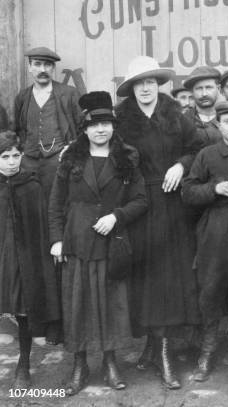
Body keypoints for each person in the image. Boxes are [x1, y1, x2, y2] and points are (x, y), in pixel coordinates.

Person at [48, 91, 147, 395]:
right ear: (85, 129)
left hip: (111, 244)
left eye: (106, 123)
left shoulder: (127, 157)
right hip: (77, 243)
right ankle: (79, 366)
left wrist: (117, 216)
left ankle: (110, 362)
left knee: (110, 305)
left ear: (113, 127)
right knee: (77, 305)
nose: (100, 130)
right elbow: (55, 203)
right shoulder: (70, 157)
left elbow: (142, 200)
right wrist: (56, 239)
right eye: (94, 125)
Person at [115, 56, 204, 389]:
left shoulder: (174, 115)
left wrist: (181, 165)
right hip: (139, 205)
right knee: (147, 277)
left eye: (151, 81)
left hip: (173, 204)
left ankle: (163, 350)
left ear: (158, 84)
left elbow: (197, 147)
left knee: (171, 275)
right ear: (132, 89)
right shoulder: (121, 120)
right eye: (139, 83)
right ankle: (154, 345)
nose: (146, 88)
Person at [182, 101, 228, 382]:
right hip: (214, 230)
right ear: (219, 124)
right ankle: (208, 349)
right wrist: (214, 188)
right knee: (210, 288)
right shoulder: (207, 154)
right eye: (227, 122)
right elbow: (187, 193)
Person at [0, 130, 60, 389]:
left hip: (24, 259)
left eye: (16, 155)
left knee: (23, 309)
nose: (11, 161)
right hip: (2, 257)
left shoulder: (32, 186)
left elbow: (41, 229)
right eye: (5, 156)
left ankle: (23, 365)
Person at [14, 46, 82, 198]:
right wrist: (22, 153)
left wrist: (71, 148)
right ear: (30, 67)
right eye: (37, 64)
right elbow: (17, 130)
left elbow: (83, 128)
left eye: (47, 65)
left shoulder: (69, 94)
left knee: (57, 206)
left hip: (57, 160)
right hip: (28, 163)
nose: (42, 69)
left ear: (53, 68)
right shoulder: (23, 97)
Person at [183, 66, 223, 145]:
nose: (204, 94)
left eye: (208, 87)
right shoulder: (182, 122)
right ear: (192, 92)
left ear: (218, 89)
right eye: (199, 88)